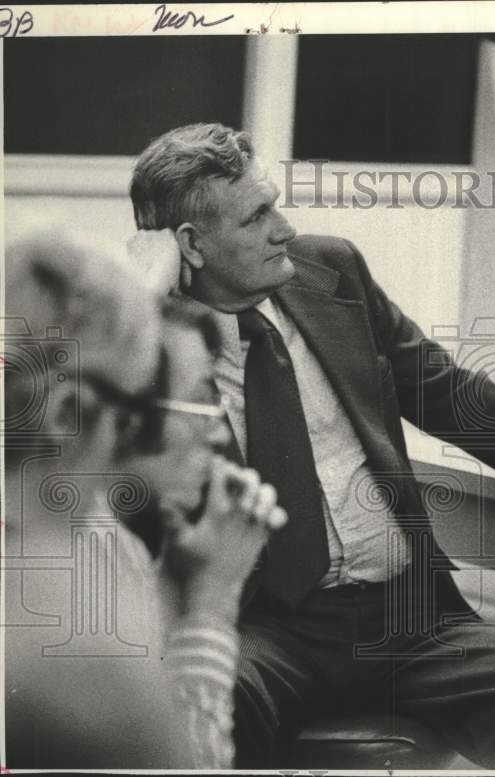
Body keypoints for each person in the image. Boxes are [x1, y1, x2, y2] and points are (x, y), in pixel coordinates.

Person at [128, 122, 495, 768]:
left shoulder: (331, 272)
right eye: (257, 217)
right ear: (190, 246)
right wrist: (139, 297)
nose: (283, 228)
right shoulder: (146, 347)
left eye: (275, 204)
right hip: (262, 628)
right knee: (202, 717)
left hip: (409, 619)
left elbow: (458, 399)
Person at [3, 236, 286, 768]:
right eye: (135, 412)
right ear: (65, 415)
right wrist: (213, 602)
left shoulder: (101, 542)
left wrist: (174, 587)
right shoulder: (69, 627)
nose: (220, 435)